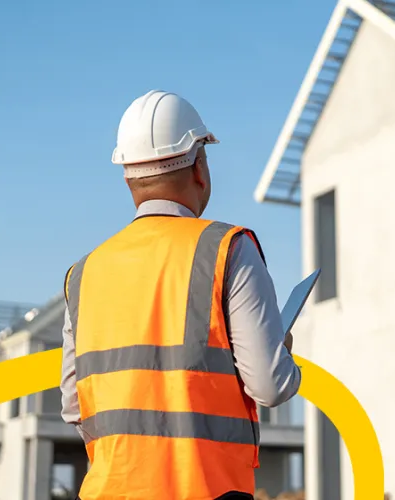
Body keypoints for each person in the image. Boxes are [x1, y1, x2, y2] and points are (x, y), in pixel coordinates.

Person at [59, 90, 301, 500]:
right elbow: (272, 386)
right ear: (200, 167)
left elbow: (73, 406)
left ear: (127, 177)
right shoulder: (228, 249)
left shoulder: (84, 273)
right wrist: (281, 350)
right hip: (207, 490)